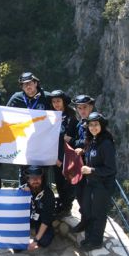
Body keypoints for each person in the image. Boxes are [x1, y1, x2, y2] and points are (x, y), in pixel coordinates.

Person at [6, 72, 53, 185]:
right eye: (24, 84)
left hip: (43, 144)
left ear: (36, 83)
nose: (28, 86)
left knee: (43, 173)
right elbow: (5, 115)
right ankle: (24, 200)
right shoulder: (16, 98)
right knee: (25, 173)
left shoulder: (47, 97)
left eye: (30, 83)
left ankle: (44, 200)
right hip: (24, 144)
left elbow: (59, 112)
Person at [79, 112, 116, 251]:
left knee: (98, 213)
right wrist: (82, 152)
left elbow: (111, 169)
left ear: (102, 126)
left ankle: (96, 241)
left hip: (103, 185)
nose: (93, 127)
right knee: (88, 210)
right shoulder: (92, 141)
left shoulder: (106, 143)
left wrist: (91, 170)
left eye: (96, 125)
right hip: (92, 183)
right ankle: (89, 238)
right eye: (90, 125)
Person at [50, 89, 79, 218]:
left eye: (58, 101)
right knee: (59, 182)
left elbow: (71, 139)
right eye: (54, 101)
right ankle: (61, 204)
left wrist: (61, 157)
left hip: (67, 155)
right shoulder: (50, 116)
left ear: (63, 102)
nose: (56, 104)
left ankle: (67, 207)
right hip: (54, 155)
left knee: (67, 182)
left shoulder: (72, 117)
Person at [70, 94, 96, 233]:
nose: (82, 110)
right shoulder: (80, 123)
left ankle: (88, 222)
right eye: (79, 108)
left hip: (90, 166)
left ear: (91, 107)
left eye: (85, 107)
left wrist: (82, 148)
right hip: (80, 166)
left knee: (87, 196)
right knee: (80, 194)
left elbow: (95, 143)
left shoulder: (95, 123)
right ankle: (85, 220)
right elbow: (76, 141)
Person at [22, 166, 55, 251]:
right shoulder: (22, 190)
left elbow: (46, 220)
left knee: (44, 242)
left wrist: (36, 240)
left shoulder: (48, 194)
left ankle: (37, 234)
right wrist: (21, 193)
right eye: (32, 178)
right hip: (26, 220)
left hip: (41, 221)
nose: (36, 180)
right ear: (28, 180)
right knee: (17, 247)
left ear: (42, 178)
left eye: (38, 178)